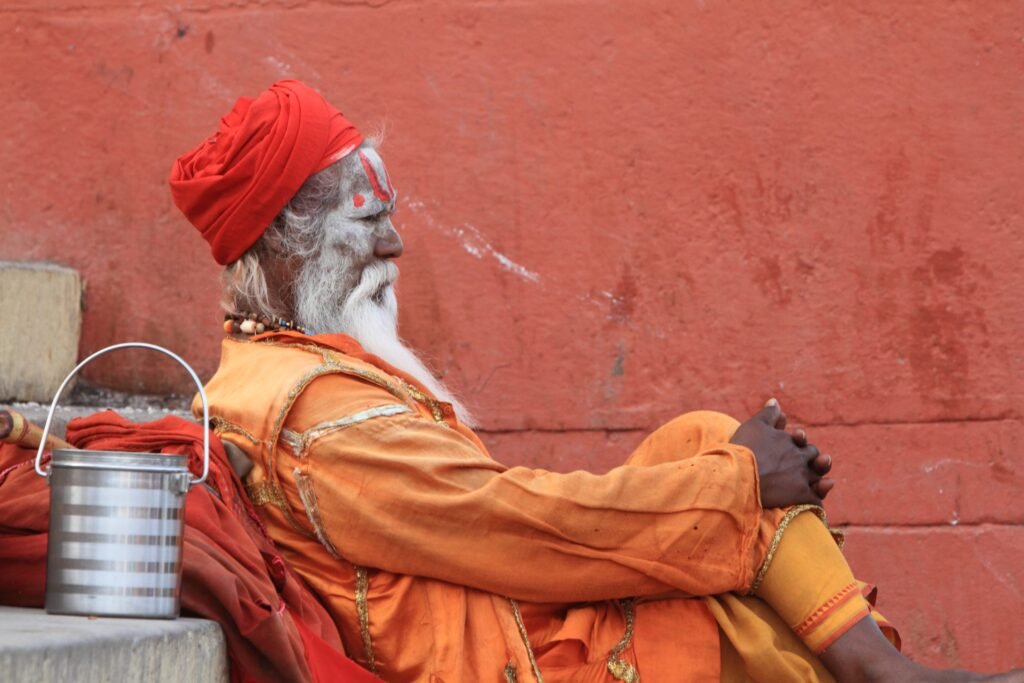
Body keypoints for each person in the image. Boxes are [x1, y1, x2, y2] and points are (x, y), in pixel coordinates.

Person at [169, 80, 1022, 683]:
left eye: (391, 218)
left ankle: (881, 671)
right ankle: (885, 674)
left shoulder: (281, 367)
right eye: (367, 222)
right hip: (504, 655)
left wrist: (720, 477)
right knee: (719, 553)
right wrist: (734, 484)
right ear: (280, 240)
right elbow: (514, 527)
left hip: (500, 595)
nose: (394, 249)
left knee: (699, 441)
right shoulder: (313, 416)